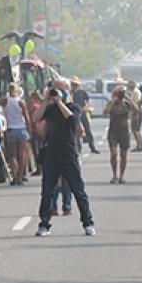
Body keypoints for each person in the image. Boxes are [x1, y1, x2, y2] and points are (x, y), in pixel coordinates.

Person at [33, 79, 95, 237]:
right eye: (54, 89)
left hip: (69, 154)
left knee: (78, 190)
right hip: (52, 154)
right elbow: (36, 118)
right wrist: (46, 100)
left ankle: (88, 223)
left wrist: (61, 102)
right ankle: (44, 224)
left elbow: (72, 120)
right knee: (47, 191)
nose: (56, 92)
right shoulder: (50, 107)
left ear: (67, 91)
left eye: (60, 89)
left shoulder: (74, 107)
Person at [0, 83, 32, 185]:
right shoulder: (21, 102)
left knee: (12, 155)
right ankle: (21, 176)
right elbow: (26, 117)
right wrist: (30, 130)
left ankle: (15, 176)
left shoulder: (5, 101)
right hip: (21, 129)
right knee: (22, 155)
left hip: (11, 129)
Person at [103, 86, 138, 184]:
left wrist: (128, 98)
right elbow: (106, 112)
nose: (120, 96)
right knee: (113, 154)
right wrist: (114, 102)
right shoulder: (111, 103)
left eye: (121, 93)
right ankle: (114, 175)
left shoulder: (126, 104)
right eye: (118, 93)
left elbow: (136, 109)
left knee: (124, 155)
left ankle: (121, 176)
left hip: (124, 131)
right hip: (113, 131)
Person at [71, 77, 100, 154]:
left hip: (82, 112)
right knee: (76, 130)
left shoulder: (82, 92)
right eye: (73, 84)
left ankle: (92, 147)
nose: (74, 86)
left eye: (75, 84)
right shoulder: (70, 93)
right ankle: (77, 148)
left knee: (87, 129)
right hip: (74, 112)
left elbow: (87, 101)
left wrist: (85, 107)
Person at [128, 80, 142, 151]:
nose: (128, 86)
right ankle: (139, 145)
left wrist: (136, 111)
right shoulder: (133, 92)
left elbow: (138, 103)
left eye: (129, 85)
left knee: (136, 129)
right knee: (134, 129)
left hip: (137, 112)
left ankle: (141, 145)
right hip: (135, 112)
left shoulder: (136, 92)